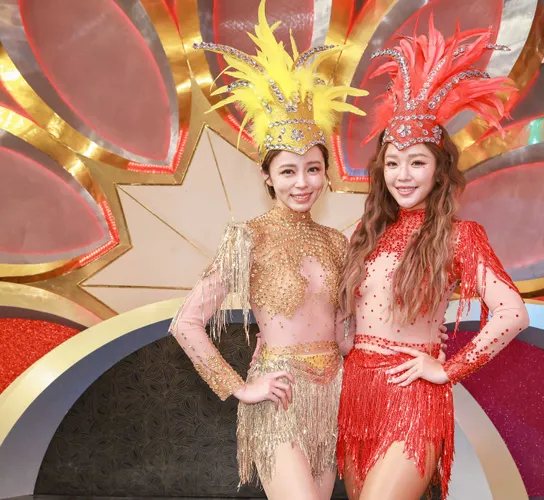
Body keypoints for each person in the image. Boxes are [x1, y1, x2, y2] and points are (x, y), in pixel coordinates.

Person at [168, 1, 367, 498]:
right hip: (278, 398)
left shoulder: (336, 241)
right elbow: (186, 322)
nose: (303, 182)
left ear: (325, 173)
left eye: (313, 169)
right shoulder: (247, 236)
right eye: (288, 171)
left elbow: (345, 334)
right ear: (268, 178)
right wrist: (240, 386)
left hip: (332, 397)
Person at [336, 18, 530, 500]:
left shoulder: (460, 236)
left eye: (417, 162)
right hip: (356, 394)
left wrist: (447, 369)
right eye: (393, 162)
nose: (403, 175)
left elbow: (512, 313)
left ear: (439, 171)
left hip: (412, 397)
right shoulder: (366, 233)